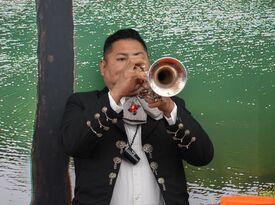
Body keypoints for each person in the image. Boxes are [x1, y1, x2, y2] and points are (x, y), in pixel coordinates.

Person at [61, 28, 214, 205]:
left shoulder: (172, 105)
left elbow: (203, 156)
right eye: (122, 59)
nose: (131, 66)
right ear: (103, 67)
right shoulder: (82, 102)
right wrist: (118, 92)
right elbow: (72, 144)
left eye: (138, 58)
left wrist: (169, 110)